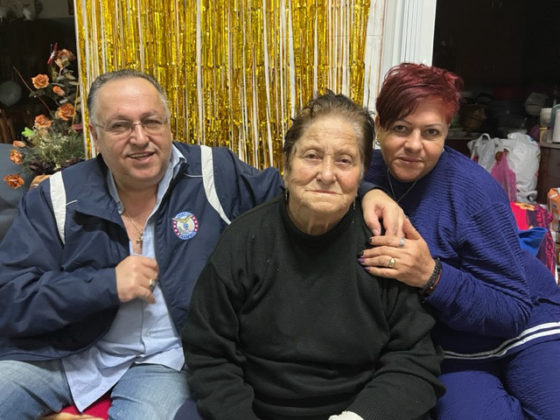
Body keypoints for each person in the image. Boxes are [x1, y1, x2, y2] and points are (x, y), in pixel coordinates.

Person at [0, 70, 405, 419]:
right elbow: (11, 301)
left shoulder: (213, 173)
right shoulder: (55, 197)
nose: (140, 138)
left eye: (151, 122)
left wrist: (368, 192)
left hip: (164, 363)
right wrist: (105, 285)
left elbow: (302, 182)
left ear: (169, 125)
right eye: (120, 126)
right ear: (95, 134)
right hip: (65, 354)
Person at [181, 91, 445, 420]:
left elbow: (414, 360)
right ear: (286, 165)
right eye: (312, 156)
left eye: (345, 160)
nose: (327, 173)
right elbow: (210, 354)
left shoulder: (384, 244)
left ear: (362, 174)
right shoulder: (243, 241)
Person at [360, 62, 560, 420]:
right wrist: (366, 192)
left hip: (527, 322)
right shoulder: (363, 173)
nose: (414, 146)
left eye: (431, 133)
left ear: (445, 133)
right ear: (379, 126)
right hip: (452, 346)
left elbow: (513, 310)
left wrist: (431, 276)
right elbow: (306, 181)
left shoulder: (473, 191)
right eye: (400, 128)